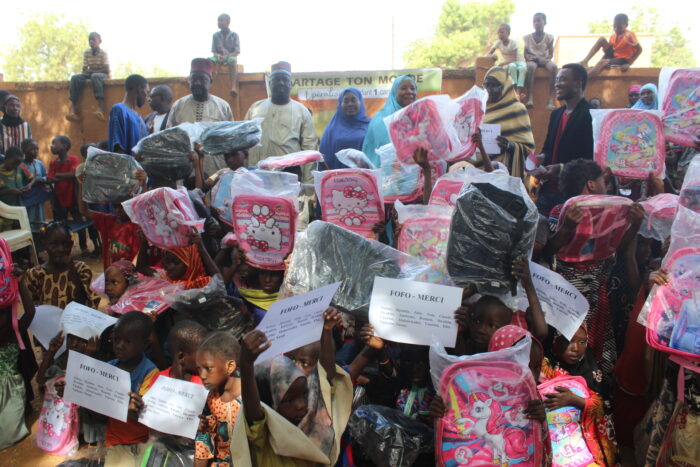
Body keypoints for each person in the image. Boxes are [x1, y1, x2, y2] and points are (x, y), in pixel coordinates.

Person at [540, 324, 619, 466]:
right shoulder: (543, 368)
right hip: (554, 445)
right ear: (555, 340)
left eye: (582, 342)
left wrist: (575, 400)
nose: (575, 348)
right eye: (568, 341)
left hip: (585, 449)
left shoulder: (592, 372)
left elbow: (604, 410)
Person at [535, 63, 593, 216]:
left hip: (572, 193)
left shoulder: (591, 115)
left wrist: (560, 168)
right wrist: (540, 158)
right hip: (547, 191)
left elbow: (590, 158)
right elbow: (548, 147)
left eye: (562, 79)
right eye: (557, 80)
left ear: (578, 82)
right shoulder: (556, 114)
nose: (557, 84)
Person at [104, 311, 158, 466]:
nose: (120, 345)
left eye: (127, 341)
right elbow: (100, 413)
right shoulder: (108, 369)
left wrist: (133, 409)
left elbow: (147, 415)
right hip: (116, 440)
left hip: (144, 439)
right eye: (116, 339)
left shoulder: (149, 372)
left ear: (145, 344)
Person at [245, 61, 318, 175]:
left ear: (291, 84)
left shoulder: (302, 111)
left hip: (288, 177)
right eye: (277, 79)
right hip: (257, 175)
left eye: (285, 80)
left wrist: (308, 182)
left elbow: (310, 149)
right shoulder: (255, 108)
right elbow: (245, 142)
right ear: (270, 83)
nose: (281, 83)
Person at [168, 58, 234, 174]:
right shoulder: (178, 106)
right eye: (194, 79)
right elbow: (169, 138)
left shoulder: (223, 107)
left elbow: (231, 141)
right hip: (185, 170)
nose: (197, 82)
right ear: (189, 81)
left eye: (202, 79)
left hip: (215, 170)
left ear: (210, 82)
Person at [0, 262, 35, 450]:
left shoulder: (15, 333)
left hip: (12, 394)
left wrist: (20, 283)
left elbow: (30, 312)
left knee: (10, 433)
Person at [25, 221, 101, 309]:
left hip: (75, 319)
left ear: (71, 244)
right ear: (44, 245)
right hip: (48, 320)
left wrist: (71, 268)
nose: (61, 249)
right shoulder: (35, 274)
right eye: (54, 244)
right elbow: (32, 305)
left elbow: (83, 301)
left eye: (66, 244)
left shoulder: (80, 269)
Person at [194, 331, 241, 466]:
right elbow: (203, 442)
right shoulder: (210, 399)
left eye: (208, 368)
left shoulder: (250, 396)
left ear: (229, 366)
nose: (202, 375)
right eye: (199, 369)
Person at [481, 66, 535, 179]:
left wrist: (510, 146)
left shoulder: (517, 109)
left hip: (503, 176)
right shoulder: (479, 109)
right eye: (487, 85)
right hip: (477, 173)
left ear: (506, 87)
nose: (489, 90)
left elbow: (529, 150)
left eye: (495, 85)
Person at [47, 135, 90, 254]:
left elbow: (75, 174)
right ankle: (64, 247)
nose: (52, 146)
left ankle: (83, 246)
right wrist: (63, 176)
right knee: (60, 226)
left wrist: (58, 176)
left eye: (55, 143)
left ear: (65, 146)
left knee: (79, 222)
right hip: (59, 198)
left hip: (73, 197)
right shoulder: (53, 162)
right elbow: (50, 178)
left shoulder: (72, 159)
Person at [362, 75, 417, 167]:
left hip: (417, 174)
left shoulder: (420, 115)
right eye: (404, 88)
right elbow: (381, 151)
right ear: (395, 92)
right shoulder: (381, 119)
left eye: (413, 88)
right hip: (386, 175)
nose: (409, 92)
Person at [319, 88, 370, 169]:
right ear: (340, 104)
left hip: (365, 178)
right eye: (346, 101)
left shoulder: (370, 125)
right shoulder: (332, 129)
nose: (350, 104)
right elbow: (323, 158)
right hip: (338, 179)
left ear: (360, 102)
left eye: (353, 100)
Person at [66, 32, 110, 122]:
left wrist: (93, 72)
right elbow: (84, 69)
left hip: (101, 74)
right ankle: (73, 109)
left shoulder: (103, 53)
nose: (91, 42)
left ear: (99, 41)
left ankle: (100, 107)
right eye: (89, 40)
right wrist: (87, 73)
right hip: (91, 73)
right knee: (75, 78)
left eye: (93, 40)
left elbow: (106, 69)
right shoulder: (87, 53)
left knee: (95, 76)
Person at [108, 74, 149, 155]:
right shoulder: (119, 110)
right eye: (146, 92)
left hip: (139, 167)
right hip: (128, 166)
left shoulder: (139, 117)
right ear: (139, 89)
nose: (146, 97)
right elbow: (117, 147)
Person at [523, 13, 557, 109]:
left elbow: (551, 53)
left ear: (545, 22)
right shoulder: (527, 37)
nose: (536, 23)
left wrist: (545, 59)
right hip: (532, 60)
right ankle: (530, 98)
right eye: (534, 21)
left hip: (543, 60)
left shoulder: (549, 37)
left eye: (539, 21)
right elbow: (525, 54)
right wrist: (528, 58)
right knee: (530, 67)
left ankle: (550, 100)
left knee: (553, 67)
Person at [489, 24, 527, 96]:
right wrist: (493, 56)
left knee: (522, 68)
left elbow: (514, 58)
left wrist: (502, 64)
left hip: (519, 61)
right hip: (510, 63)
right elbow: (489, 54)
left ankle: (519, 89)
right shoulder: (498, 43)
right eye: (498, 33)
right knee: (512, 67)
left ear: (508, 33)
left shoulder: (513, 43)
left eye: (502, 32)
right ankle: (514, 88)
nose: (500, 34)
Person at [210, 14, 240, 96]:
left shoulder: (234, 35)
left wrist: (226, 56)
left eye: (220, 21)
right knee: (208, 61)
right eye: (218, 21)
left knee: (233, 61)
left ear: (228, 22)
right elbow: (214, 51)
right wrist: (218, 56)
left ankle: (233, 87)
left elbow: (237, 51)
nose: (218, 23)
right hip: (218, 57)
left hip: (229, 57)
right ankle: (209, 83)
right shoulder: (215, 35)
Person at [20, 138, 49, 224]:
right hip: (27, 198)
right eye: (32, 149)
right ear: (23, 150)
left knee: (40, 219)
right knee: (29, 220)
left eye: (37, 149)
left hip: (39, 197)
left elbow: (46, 175)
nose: (36, 151)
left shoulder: (39, 163)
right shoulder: (20, 165)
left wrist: (43, 179)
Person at [0, 147, 33, 211]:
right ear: (6, 158)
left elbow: (33, 179)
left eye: (18, 164)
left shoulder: (19, 168)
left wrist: (30, 185)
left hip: (19, 207)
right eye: (14, 163)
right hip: (3, 210)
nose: (15, 167)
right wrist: (9, 191)